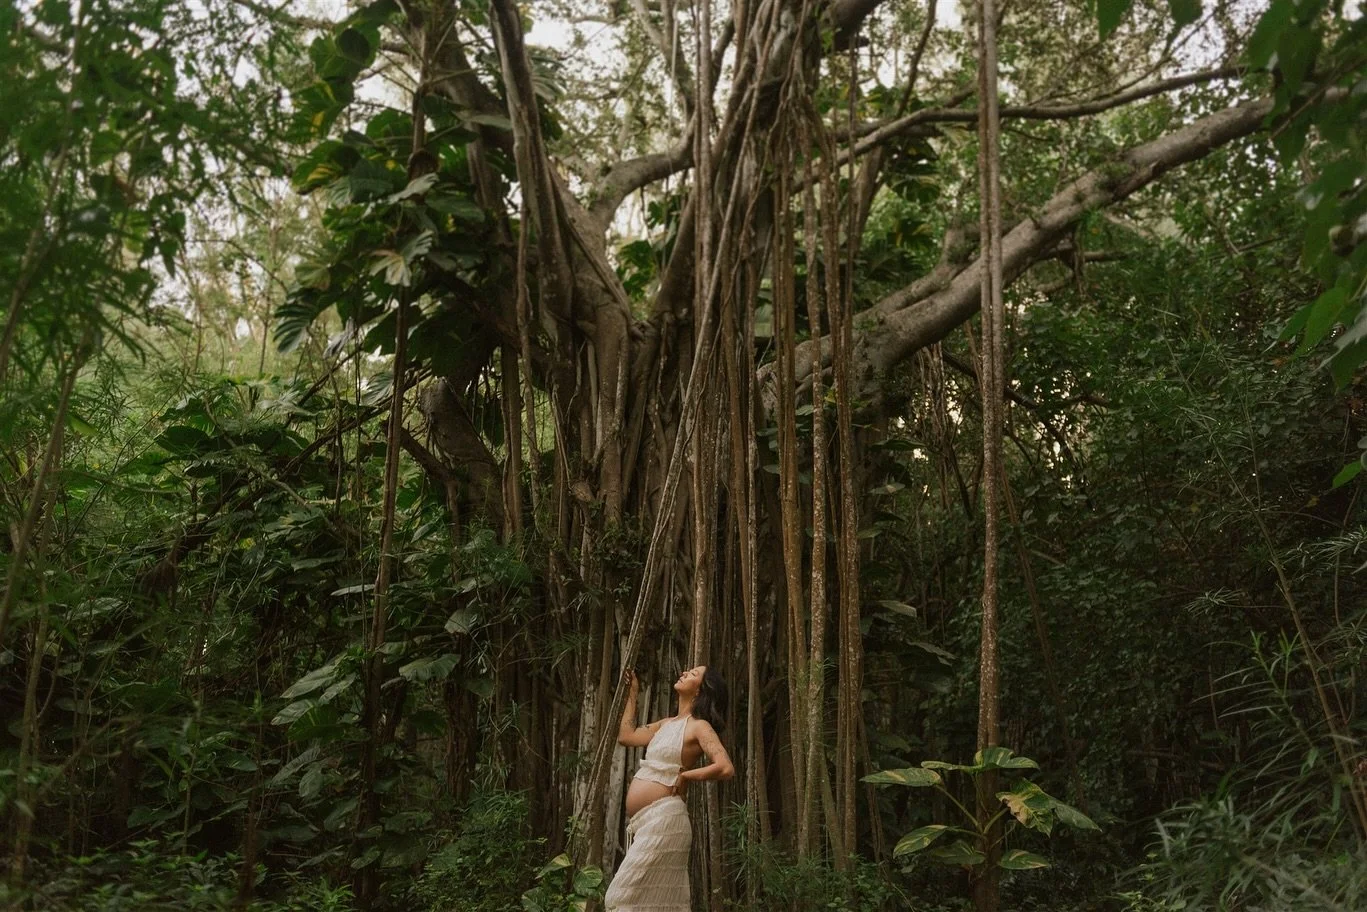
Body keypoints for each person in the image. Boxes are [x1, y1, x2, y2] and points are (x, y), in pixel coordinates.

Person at [603, 664, 734, 912]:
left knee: (619, 898)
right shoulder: (666, 724)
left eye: (693, 674)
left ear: (700, 692)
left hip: (667, 821)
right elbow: (626, 736)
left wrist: (686, 777)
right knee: (649, 903)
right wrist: (632, 693)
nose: (685, 673)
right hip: (646, 823)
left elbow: (725, 767)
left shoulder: (699, 726)